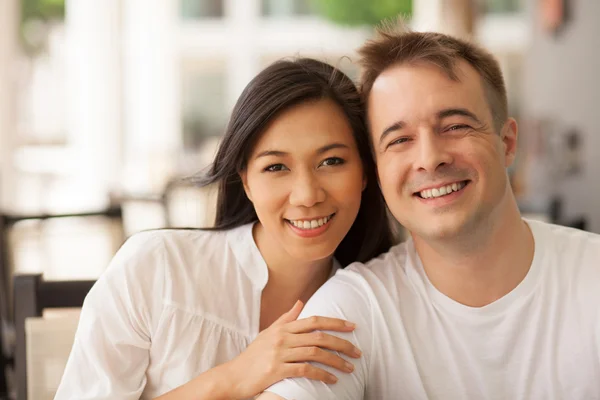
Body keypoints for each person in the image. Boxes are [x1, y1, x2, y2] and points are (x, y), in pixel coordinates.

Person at [261, 24, 600, 400]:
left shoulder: (592, 276)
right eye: (400, 140)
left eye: (455, 126)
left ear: (507, 143)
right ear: (377, 170)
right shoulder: (351, 309)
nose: (430, 159)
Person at [54, 58, 394, 400]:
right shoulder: (156, 268)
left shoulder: (372, 308)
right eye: (276, 167)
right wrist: (233, 377)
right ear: (245, 180)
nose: (306, 195)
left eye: (331, 161)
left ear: (366, 171)